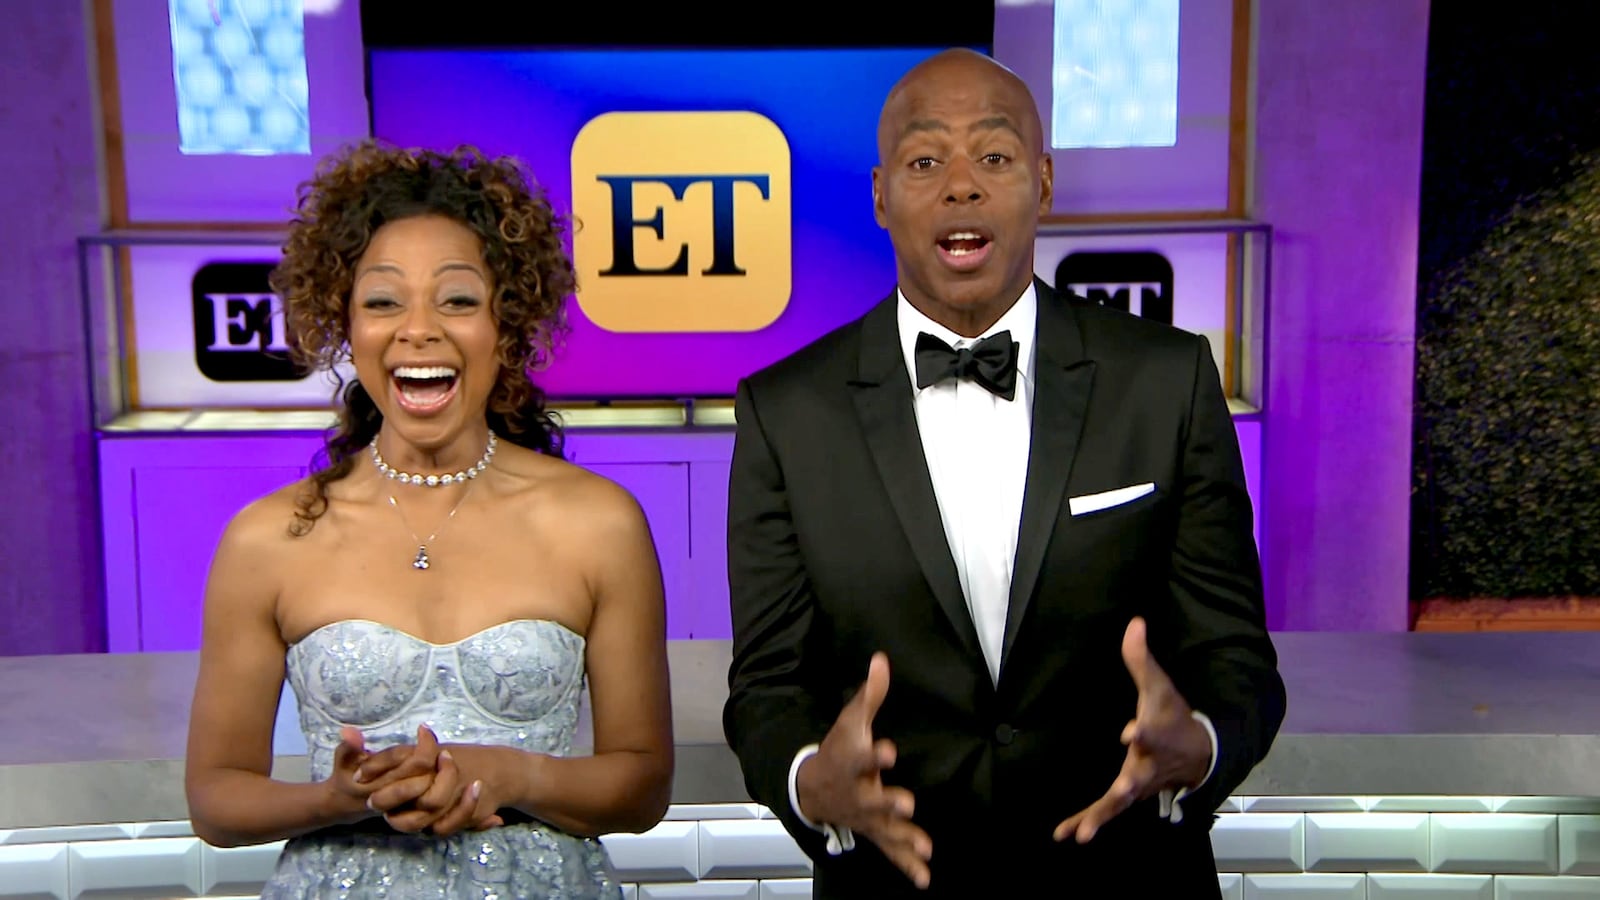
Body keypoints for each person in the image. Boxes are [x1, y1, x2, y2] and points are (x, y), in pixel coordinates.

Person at [723, 49, 1285, 897]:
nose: (961, 186)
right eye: (925, 161)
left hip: (1130, 878)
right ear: (879, 195)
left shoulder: (1165, 381)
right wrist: (810, 780)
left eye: (994, 156)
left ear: (1045, 183)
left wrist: (1200, 742)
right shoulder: (786, 412)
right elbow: (766, 687)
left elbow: (1236, 656)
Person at [184, 139, 673, 899]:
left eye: (456, 299)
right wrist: (335, 802)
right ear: (343, 326)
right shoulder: (268, 538)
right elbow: (215, 797)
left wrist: (508, 773)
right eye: (383, 301)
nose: (419, 328)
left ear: (505, 325)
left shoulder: (600, 523)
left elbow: (642, 787)